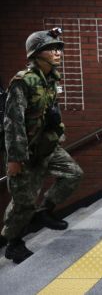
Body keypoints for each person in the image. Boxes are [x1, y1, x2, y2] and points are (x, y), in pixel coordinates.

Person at [1, 28, 84, 264]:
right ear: (37, 53)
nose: (57, 52)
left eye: (58, 48)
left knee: (73, 174)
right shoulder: (23, 81)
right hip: (25, 151)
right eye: (51, 48)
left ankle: (45, 211)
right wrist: (14, 159)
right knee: (23, 201)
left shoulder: (51, 78)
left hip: (47, 145)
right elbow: (13, 122)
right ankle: (12, 242)